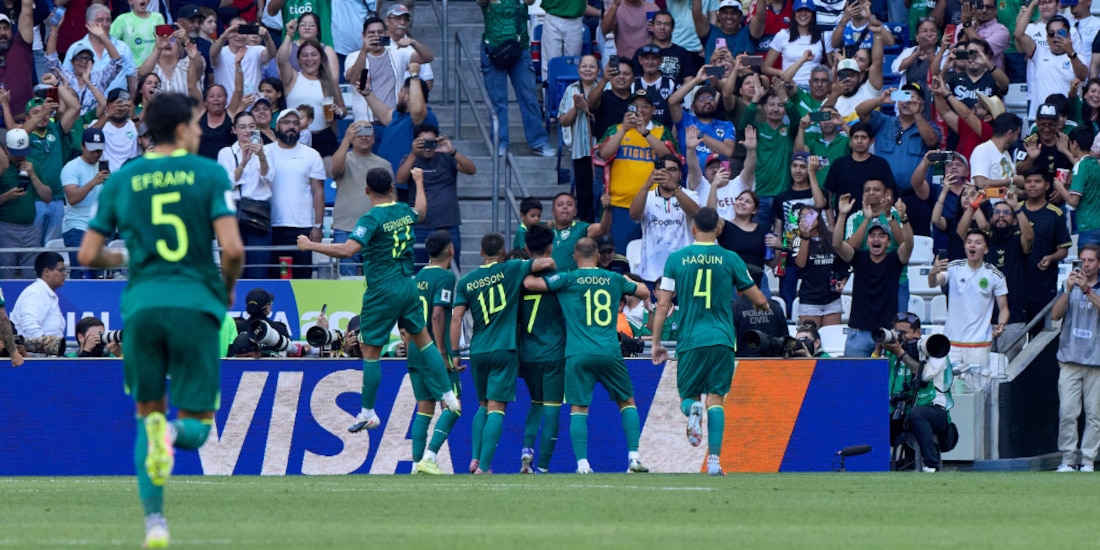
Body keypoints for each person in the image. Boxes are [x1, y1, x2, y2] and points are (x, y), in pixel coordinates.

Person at [75, 92, 245, 549]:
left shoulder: (124, 179)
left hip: (143, 307)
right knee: (197, 424)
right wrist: (226, 288)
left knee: (145, 415)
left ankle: (155, 523)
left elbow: (88, 255)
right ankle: (171, 432)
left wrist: (123, 253)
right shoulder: (209, 173)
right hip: (195, 304)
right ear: (185, 128)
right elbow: (232, 250)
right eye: (196, 124)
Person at [298, 167, 459, 434]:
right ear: (392, 188)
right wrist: (419, 181)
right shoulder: (402, 211)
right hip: (408, 284)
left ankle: (368, 412)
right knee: (424, 340)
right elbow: (421, 211)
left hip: (382, 289)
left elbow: (349, 249)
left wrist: (310, 245)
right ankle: (449, 395)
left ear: (366, 189)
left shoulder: (371, 218)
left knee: (370, 352)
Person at [652, 207, 767, 475]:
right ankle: (714, 462)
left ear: (693, 228)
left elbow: (663, 304)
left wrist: (657, 343)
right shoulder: (730, 258)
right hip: (722, 338)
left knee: (688, 397)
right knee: (716, 399)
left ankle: (692, 409)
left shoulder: (676, 259)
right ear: (718, 229)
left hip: (691, 339)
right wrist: (757, 305)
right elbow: (760, 300)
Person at [523, 237, 651, 474]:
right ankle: (633, 458)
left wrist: (529, 268)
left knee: (579, 409)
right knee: (627, 402)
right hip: (609, 351)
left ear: (574, 257)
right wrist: (625, 280)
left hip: (578, 353)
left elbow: (530, 283)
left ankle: (583, 464)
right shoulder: (613, 278)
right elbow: (643, 290)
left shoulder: (567, 278)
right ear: (597, 256)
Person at [451, 232, 554, 474]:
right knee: (497, 408)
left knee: (482, 405)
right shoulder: (511, 269)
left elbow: (456, 318)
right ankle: (484, 467)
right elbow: (546, 263)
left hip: (477, 349)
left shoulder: (467, 281)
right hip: (504, 348)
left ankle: (475, 458)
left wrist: (455, 352)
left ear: (480, 251)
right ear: (504, 251)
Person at [833, 194, 914, 357]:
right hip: (859, 334)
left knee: (886, 381)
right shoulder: (859, 258)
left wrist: (901, 218)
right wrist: (842, 214)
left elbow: (909, 244)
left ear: (888, 242)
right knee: (854, 381)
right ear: (867, 240)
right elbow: (837, 244)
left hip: (887, 335)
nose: (876, 239)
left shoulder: (895, 260)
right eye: (872, 236)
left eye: (882, 235)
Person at [408, 231, 461, 475]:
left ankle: (416, 464)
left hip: (414, 350)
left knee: (425, 407)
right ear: (451, 250)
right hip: (433, 351)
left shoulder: (415, 278)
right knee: (453, 406)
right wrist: (441, 351)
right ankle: (429, 457)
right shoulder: (445, 277)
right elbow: (438, 314)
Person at [597, 89, 675, 249]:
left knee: (654, 251)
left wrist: (645, 133)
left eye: (645, 106)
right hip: (620, 204)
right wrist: (624, 130)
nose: (640, 110)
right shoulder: (616, 129)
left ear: (653, 110)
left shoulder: (662, 131)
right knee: (620, 255)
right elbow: (603, 154)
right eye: (635, 106)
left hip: (655, 204)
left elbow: (669, 157)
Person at [516, 224, 566, 474]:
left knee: (535, 403)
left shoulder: (515, 279)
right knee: (553, 408)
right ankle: (543, 467)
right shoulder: (559, 279)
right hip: (553, 353)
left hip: (526, 354)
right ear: (550, 247)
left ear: (526, 248)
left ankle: (526, 449)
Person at [928, 229, 1009, 383]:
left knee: (977, 389)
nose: (973, 246)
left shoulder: (995, 275)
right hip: (951, 343)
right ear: (965, 246)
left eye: (978, 243)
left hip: (979, 344)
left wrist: (1002, 324)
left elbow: (1004, 308)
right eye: (969, 242)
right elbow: (933, 283)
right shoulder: (953, 268)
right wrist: (933, 272)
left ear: (985, 249)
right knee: (948, 388)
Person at [477, 0, 555, 157]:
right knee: (498, 100)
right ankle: (500, 142)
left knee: (529, 96)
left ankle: (539, 141)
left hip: (520, 50)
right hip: (493, 50)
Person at [396, 123, 477, 269]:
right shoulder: (409, 158)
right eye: (423, 143)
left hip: (448, 224)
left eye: (431, 143)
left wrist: (452, 151)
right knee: (418, 270)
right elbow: (400, 179)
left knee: (451, 270)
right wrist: (413, 153)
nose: (428, 147)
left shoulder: (447, 158)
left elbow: (471, 170)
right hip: (420, 225)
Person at [882, 312, 954, 472]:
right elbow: (873, 376)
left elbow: (925, 375)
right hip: (901, 409)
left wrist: (901, 353)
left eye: (904, 333)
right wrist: (878, 347)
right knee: (874, 416)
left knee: (917, 414)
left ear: (918, 332)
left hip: (935, 412)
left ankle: (931, 464)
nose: (900, 337)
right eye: (896, 332)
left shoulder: (935, 347)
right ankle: (871, 463)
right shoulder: (891, 352)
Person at [1051, 243, 1100, 471]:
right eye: (1083, 260)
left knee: (1094, 415)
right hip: (1070, 359)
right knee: (1068, 412)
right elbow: (1055, 314)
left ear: (1098, 264)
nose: (1086, 265)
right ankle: (1068, 459)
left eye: (1091, 260)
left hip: (1096, 362)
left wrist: (1087, 291)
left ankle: (1088, 460)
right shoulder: (1068, 285)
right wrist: (1069, 290)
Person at [264, 110, 325, 279]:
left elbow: (318, 191)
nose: (291, 126)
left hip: (302, 225)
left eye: (295, 123)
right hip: (271, 225)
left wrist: (318, 225)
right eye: (286, 122)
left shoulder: (311, 155)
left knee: (302, 276)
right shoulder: (265, 152)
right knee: (275, 276)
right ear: (277, 126)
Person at [971, 194, 1034, 358]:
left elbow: (1029, 236)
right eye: (997, 212)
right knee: (982, 367)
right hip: (984, 318)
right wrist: (973, 204)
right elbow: (962, 233)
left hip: (1014, 317)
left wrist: (1017, 208)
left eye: (1006, 212)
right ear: (991, 219)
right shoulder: (984, 242)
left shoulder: (1018, 240)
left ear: (1014, 220)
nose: (1001, 215)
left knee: (1009, 368)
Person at [331, 121, 392, 277]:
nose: (363, 137)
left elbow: (392, 198)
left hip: (377, 230)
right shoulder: (344, 159)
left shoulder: (384, 164)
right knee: (346, 277)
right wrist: (346, 139)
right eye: (358, 133)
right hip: (346, 228)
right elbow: (335, 169)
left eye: (368, 133)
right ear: (352, 137)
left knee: (377, 277)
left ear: (373, 138)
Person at [629, 155, 701, 286]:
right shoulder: (648, 196)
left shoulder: (690, 195)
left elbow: (696, 214)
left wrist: (674, 187)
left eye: (672, 169)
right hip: (651, 273)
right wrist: (646, 186)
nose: (667, 173)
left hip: (683, 272)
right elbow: (634, 215)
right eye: (663, 169)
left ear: (680, 174)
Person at [217, 112, 272, 279]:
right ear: (234, 130)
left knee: (258, 267)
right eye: (242, 127)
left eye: (252, 126)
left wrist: (261, 156)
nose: (247, 131)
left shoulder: (267, 151)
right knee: (233, 268)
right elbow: (226, 183)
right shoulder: (226, 153)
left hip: (258, 211)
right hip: (233, 210)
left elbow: (268, 177)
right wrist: (243, 162)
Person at [0, 129, 53, 279]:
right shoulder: (2, 168)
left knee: (31, 274)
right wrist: (6, 196)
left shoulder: (33, 165)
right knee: (6, 274)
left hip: (31, 228)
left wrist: (33, 176)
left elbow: (47, 197)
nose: (20, 156)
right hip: (6, 229)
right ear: (6, 149)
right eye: (16, 152)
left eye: (23, 152)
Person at [1021, 168, 1071, 325]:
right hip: (1015, 284)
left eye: (1037, 181)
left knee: (1041, 336)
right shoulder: (1014, 210)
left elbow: (1063, 249)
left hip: (1043, 283)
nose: (1032, 185)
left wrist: (1051, 257)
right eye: (1028, 182)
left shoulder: (1055, 214)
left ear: (1047, 185)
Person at [1016, 12, 1086, 122]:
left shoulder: (1078, 57)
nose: (1056, 37)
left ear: (1069, 35)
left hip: (1066, 121)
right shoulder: (1038, 52)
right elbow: (1018, 34)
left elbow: (1083, 76)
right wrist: (1033, 4)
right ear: (1047, 37)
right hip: (1038, 120)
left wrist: (1071, 53)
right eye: (1051, 33)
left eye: (1061, 33)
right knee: (1029, 140)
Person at [61, 128, 110, 278]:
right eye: (93, 150)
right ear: (82, 146)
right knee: (80, 274)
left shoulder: (103, 167)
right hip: (77, 227)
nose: (96, 154)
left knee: (100, 276)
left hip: (98, 228)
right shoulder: (71, 168)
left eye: (99, 150)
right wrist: (93, 182)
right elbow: (72, 199)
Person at [558, 54, 600, 222]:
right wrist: (576, 108)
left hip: (601, 150)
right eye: (584, 66)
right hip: (580, 150)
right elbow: (563, 121)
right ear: (578, 69)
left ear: (598, 70)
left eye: (592, 66)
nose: (588, 70)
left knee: (600, 190)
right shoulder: (571, 90)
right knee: (583, 192)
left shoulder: (605, 88)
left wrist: (588, 108)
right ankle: (586, 227)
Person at [63, 4, 138, 97]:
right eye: (100, 20)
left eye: (108, 20)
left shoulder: (123, 47)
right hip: (86, 106)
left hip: (118, 105)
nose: (105, 24)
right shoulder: (76, 48)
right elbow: (65, 77)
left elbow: (131, 77)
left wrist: (132, 103)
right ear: (88, 23)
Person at [793, 205, 847, 327]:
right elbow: (800, 264)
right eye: (803, 216)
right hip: (809, 299)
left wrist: (842, 281)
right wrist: (805, 237)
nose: (808, 219)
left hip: (832, 299)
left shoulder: (831, 238)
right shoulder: (796, 240)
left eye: (810, 215)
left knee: (831, 339)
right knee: (809, 339)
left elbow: (844, 264)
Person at [762, 0, 831, 88]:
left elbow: (832, 65)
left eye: (807, 10)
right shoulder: (783, 35)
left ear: (813, 13)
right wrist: (782, 73)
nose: (803, 14)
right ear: (794, 13)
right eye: (799, 10)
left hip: (816, 89)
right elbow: (765, 67)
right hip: (790, 87)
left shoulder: (823, 36)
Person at [210, 19, 276, 102]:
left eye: (243, 31)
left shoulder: (257, 50)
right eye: (235, 31)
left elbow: (271, 54)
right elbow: (212, 54)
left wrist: (267, 37)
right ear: (228, 31)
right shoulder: (221, 52)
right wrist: (223, 37)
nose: (239, 36)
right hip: (227, 107)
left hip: (252, 107)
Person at [10, 252, 67, 340]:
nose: (64, 274)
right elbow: (30, 327)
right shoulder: (35, 293)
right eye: (61, 270)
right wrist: (45, 347)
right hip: (35, 353)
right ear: (47, 272)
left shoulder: (44, 293)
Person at [629, 11, 696, 84]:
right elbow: (633, 79)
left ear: (672, 28)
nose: (662, 27)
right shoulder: (641, 52)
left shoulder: (682, 53)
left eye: (667, 24)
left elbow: (689, 80)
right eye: (658, 24)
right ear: (651, 26)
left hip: (677, 94)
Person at [549, 192, 611, 271]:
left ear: (575, 211)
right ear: (553, 211)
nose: (565, 207)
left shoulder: (581, 228)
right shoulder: (544, 230)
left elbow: (603, 229)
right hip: (549, 280)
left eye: (569, 204)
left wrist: (607, 209)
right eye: (560, 204)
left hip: (573, 281)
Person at [969, 112, 1024, 190]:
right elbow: (980, 184)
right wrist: (1012, 180)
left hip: (1008, 201)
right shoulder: (983, 151)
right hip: (988, 202)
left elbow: (1005, 189)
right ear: (1010, 133)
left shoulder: (1006, 154)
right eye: (1017, 134)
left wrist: (1021, 193)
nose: (1017, 139)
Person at [93, 88, 143, 170]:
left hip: (131, 175)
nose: (120, 107)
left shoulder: (134, 124)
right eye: (116, 103)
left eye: (124, 103)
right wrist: (107, 114)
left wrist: (133, 115)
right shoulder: (99, 124)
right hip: (107, 177)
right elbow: (89, 137)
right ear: (108, 105)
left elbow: (145, 137)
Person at [0, 0, 36, 114]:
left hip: (24, 123)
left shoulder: (21, 46)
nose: (2, 33)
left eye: (6, 28)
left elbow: (27, 9)